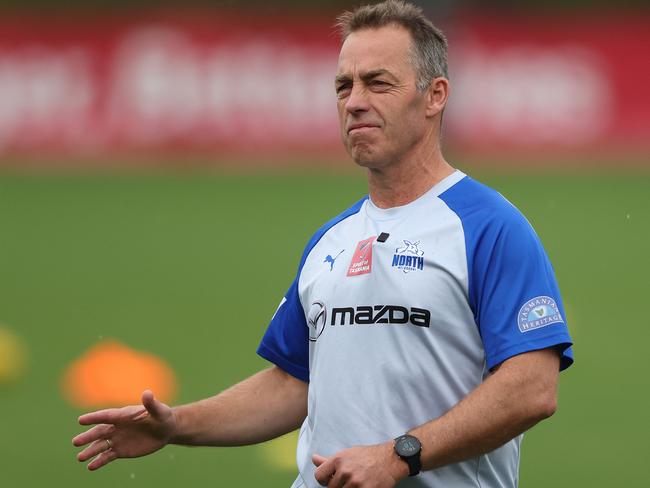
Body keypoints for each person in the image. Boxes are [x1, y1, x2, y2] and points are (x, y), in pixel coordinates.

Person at [72, 1, 574, 487]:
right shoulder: (330, 241)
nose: (355, 101)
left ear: (435, 95)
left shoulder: (489, 226)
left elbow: (532, 388)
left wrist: (400, 456)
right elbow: (292, 385)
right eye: (343, 85)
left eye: (378, 83)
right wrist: (175, 424)